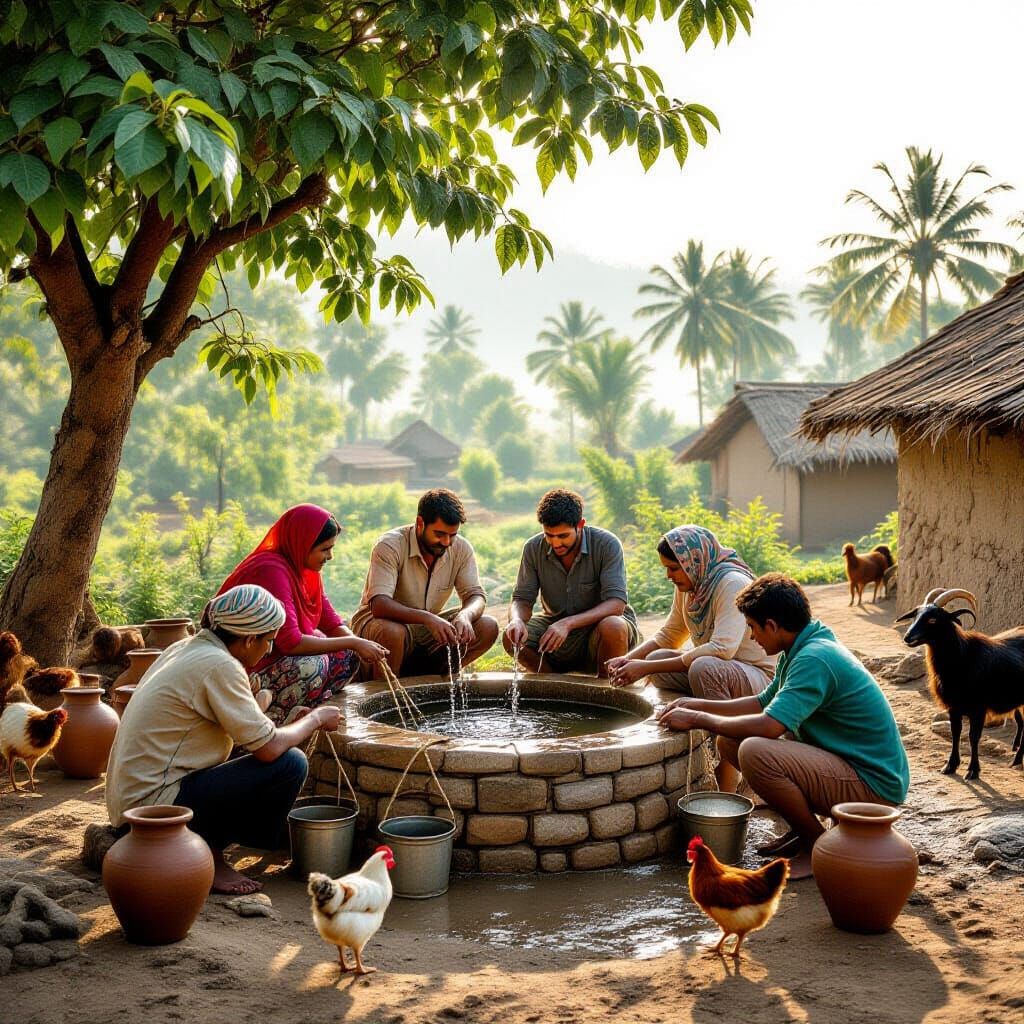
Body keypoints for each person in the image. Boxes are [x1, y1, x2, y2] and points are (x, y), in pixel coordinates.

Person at [658, 573, 910, 879]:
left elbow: (768, 726)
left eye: (752, 627)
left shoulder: (814, 658)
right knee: (729, 741)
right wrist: (697, 704)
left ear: (773, 626)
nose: (751, 637)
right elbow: (762, 702)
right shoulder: (801, 646)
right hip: (849, 767)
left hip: (873, 787)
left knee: (754, 751)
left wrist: (698, 719)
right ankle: (802, 830)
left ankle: (814, 844)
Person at [105, 585, 343, 895]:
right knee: (290, 763)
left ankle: (221, 842)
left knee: (272, 751)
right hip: (155, 810)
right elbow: (270, 749)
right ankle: (211, 853)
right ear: (248, 640)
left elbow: (234, 731)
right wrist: (316, 719)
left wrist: (271, 719)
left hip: (132, 802)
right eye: (268, 640)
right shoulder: (220, 665)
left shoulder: (187, 648)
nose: (269, 650)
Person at [607, 525, 776, 791]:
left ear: (694, 561)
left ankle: (728, 781)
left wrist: (646, 666)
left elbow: (722, 649)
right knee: (662, 660)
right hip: (721, 670)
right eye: (666, 568)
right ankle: (694, 737)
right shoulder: (692, 585)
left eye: (673, 568)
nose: (668, 576)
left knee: (704, 667)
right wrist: (628, 660)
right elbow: (671, 634)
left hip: (760, 680)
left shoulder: (731, 583)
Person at [217, 504, 388, 724]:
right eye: (325, 549)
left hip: (278, 659)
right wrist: (354, 643)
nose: (330, 556)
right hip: (248, 667)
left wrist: (357, 643)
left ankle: (306, 703)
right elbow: (291, 642)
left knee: (348, 653)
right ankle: (273, 719)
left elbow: (330, 620)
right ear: (303, 544)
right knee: (313, 665)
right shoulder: (272, 570)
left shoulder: (304, 570)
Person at [350, 488, 499, 676]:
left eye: (452, 535)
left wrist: (465, 615)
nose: (446, 542)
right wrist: (427, 618)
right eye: (439, 534)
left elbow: (476, 595)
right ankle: (385, 694)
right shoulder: (390, 545)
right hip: (381, 625)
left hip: (425, 629)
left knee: (487, 626)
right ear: (420, 523)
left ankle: (433, 680)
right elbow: (380, 605)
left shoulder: (461, 548)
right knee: (393, 632)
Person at [503, 488, 641, 678]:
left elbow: (616, 604)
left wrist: (568, 624)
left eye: (563, 536)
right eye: (549, 535)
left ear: (581, 525)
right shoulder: (533, 548)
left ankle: (606, 691)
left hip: (601, 628)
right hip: (555, 625)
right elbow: (521, 599)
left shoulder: (607, 544)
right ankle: (554, 687)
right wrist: (517, 620)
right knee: (510, 638)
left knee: (613, 625)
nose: (556, 543)